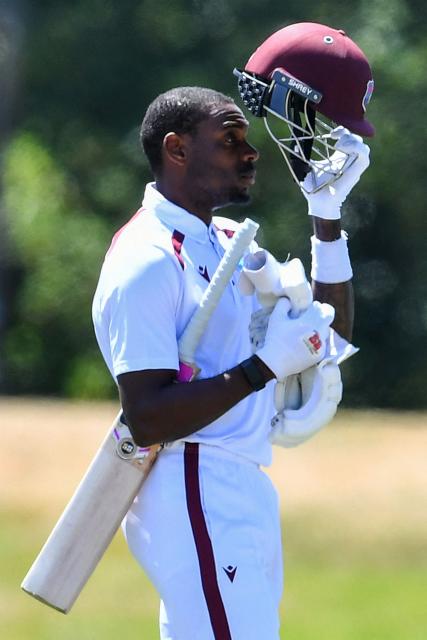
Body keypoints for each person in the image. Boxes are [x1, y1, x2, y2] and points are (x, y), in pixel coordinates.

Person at [92, 23, 373, 640]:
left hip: (238, 484)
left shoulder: (223, 243)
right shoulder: (144, 256)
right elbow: (146, 416)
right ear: (177, 149)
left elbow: (332, 341)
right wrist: (259, 369)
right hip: (192, 482)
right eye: (231, 139)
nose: (250, 153)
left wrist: (326, 219)